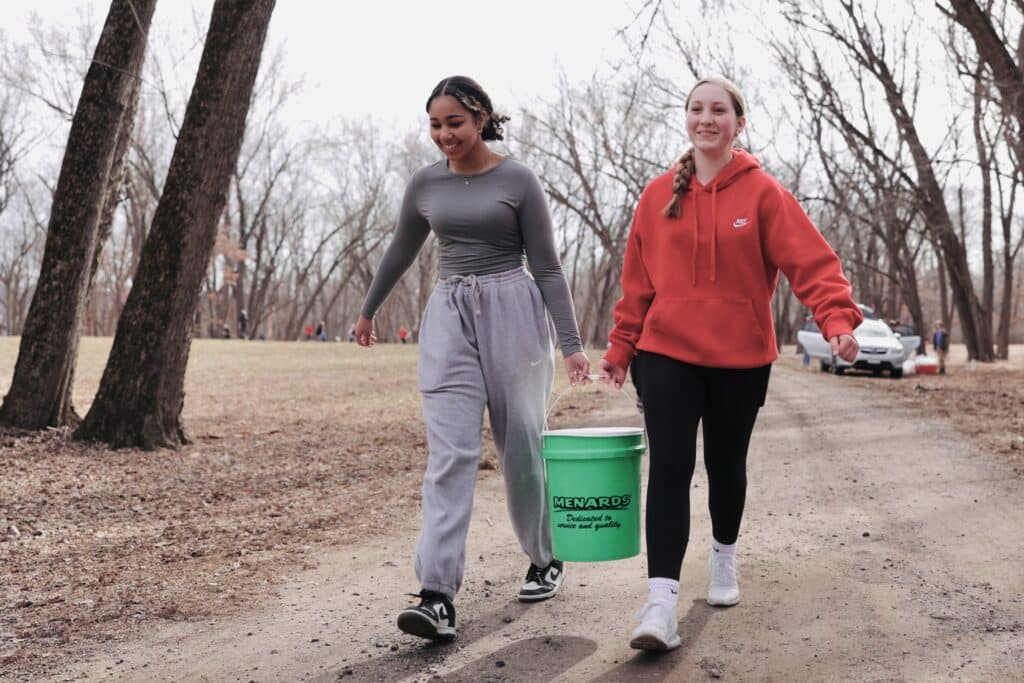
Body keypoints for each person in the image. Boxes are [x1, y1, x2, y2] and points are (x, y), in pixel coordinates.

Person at [598, 76, 862, 652]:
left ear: (739, 123)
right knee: (669, 465)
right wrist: (622, 348)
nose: (706, 118)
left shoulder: (763, 193)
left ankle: (723, 556)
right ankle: (660, 604)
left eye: (719, 110)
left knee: (725, 464)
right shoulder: (655, 195)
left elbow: (811, 262)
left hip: (741, 357)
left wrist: (836, 321)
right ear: (686, 119)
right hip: (665, 351)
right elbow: (637, 283)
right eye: (696, 109)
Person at [354, 75, 590, 642]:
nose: (443, 135)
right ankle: (436, 595)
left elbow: (550, 268)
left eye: (454, 123)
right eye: (435, 125)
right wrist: (368, 311)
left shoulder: (518, 179)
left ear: (481, 117)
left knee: (521, 451)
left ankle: (545, 556)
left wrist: (573, 343)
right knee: (451, 453)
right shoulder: (424, 185)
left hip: (513, 305)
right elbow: (400, 252)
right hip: (450, 312)